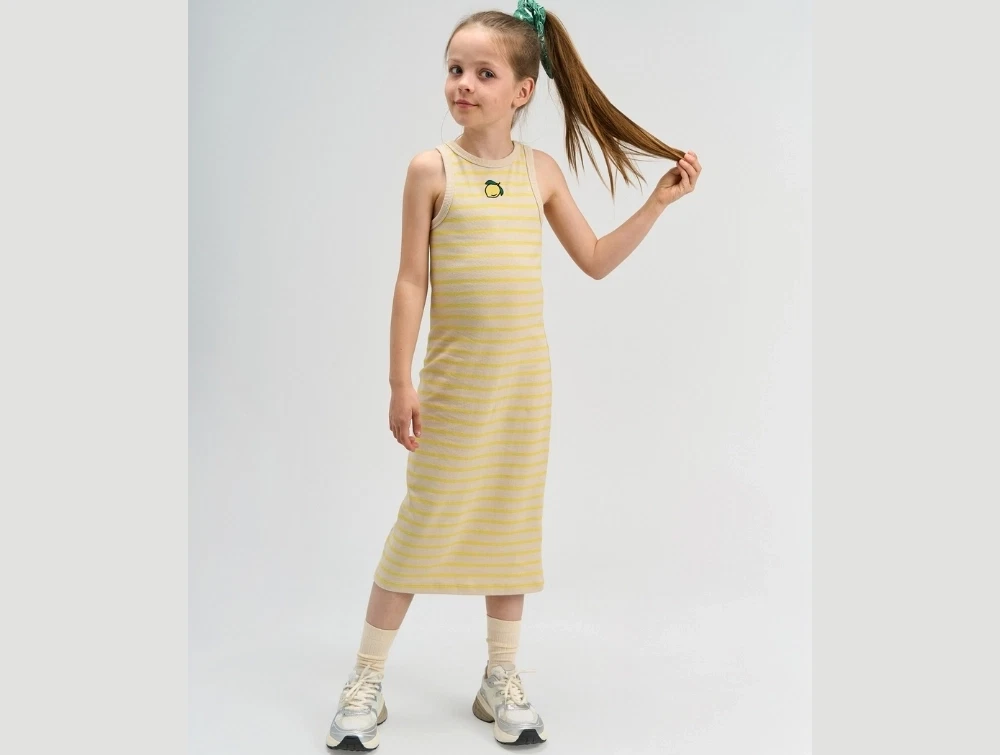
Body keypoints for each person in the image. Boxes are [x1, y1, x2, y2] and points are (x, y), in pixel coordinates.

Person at [326, 0, 701, 750]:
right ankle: (365, 678)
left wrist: (656, 205)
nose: (463, 84)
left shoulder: (540, 173)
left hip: (524, 388)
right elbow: (410, 282)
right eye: (455, 69)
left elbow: (594, 260)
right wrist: (399, 382)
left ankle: (500, 676)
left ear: (523, 90)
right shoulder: (431, 169)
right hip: (452, 386)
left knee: (510, 522)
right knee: (420, 525)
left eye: (483, 73)